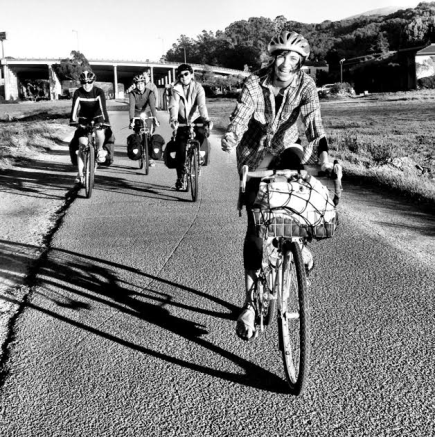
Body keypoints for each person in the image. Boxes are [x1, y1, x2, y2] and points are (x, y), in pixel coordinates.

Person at [221, 30, 343, 341]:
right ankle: (250, 302)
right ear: (271, 57)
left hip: (288, 147)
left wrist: (325, 154)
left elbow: (313, 121)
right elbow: (241, 115)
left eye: (293, 58)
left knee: (296, 183)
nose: (285, 63)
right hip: (253, 154)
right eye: (280, 56)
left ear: (300, 62)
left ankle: (297, 243)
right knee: (256, 223)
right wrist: (232, 134)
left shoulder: (305, 84)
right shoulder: (254, 83)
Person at [168, 63, 211, 190]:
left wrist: (205, 119)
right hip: (181, 120)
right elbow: (174, 105)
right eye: (180, 75)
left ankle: (197, 159)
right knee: (180, 149)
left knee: (202, 132)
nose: (183, 77)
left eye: (186, 74)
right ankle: (180, 178)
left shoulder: (198, 87)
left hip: (196, 117)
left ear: (191, 74)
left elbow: (202, 105)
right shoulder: (175, 88)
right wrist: (174, 119)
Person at [70, 70, 110, 184]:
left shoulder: (99, 91)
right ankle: (80, 174)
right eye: (84, 83)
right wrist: (73, 121)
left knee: (99, 132)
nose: (86, 85)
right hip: (84, 119)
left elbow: (103, 108)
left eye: (89, 82)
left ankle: (100, 149)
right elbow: (74, 108)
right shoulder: (78, 92)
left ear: (93, 81)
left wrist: (105, 121)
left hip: (97, 117)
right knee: (82, 145)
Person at [128, 73, 160, 166]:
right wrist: (131, 120)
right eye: (137, 84)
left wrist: (155, 119)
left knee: (149, 133)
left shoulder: (149, 92)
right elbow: (131, 108)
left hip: (147, 112)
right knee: (138, 131)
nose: (140, 85)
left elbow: (153, 107)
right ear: (135, 84)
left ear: (144, 83)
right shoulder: (132, 93)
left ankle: (149, 158)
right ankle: (138, 148)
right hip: (137, 113)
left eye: (141, 83)